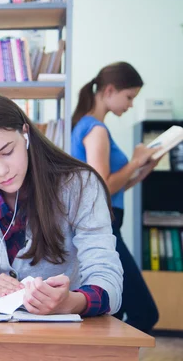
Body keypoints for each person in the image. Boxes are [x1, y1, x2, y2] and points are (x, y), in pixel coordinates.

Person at [0, 92, 123, 317]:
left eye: (7, 152)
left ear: (25, 134)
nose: (1, 171)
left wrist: (73, 302)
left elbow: (108, 279)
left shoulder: (80, 186)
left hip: (64, 338)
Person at [71, 62, 159, 332]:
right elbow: (103, 188)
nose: (130, 104)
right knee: (145, 313)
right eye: (129, 97)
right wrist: (134, 162)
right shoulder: (95, 129)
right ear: (109, 90)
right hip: (106, 228)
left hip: (109, 223)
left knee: (113, 316)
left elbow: (114, 188)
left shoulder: (88, 126)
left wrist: (144, 167)